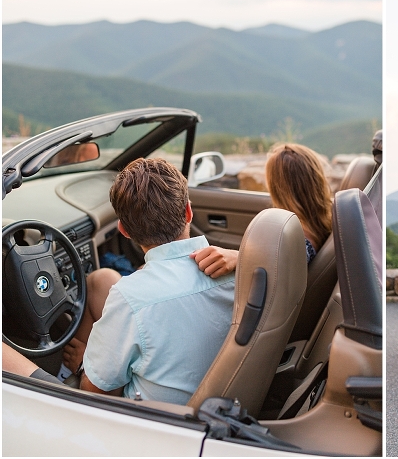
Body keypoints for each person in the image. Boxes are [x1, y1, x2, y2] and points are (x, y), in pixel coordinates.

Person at [5, 158, 236, 404]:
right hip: (215, 397)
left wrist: (84, 365)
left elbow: (97, 394)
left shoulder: (130, 298)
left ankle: (71, 371)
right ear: (188, 212)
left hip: (144, 419)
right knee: (101, 279)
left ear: (123, 230)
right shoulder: (237, 270)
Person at [191, 143, 333, 278]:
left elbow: (287, 259)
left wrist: (238, 257)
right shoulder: (321, 223)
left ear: (277, 188)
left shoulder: (300, 239)